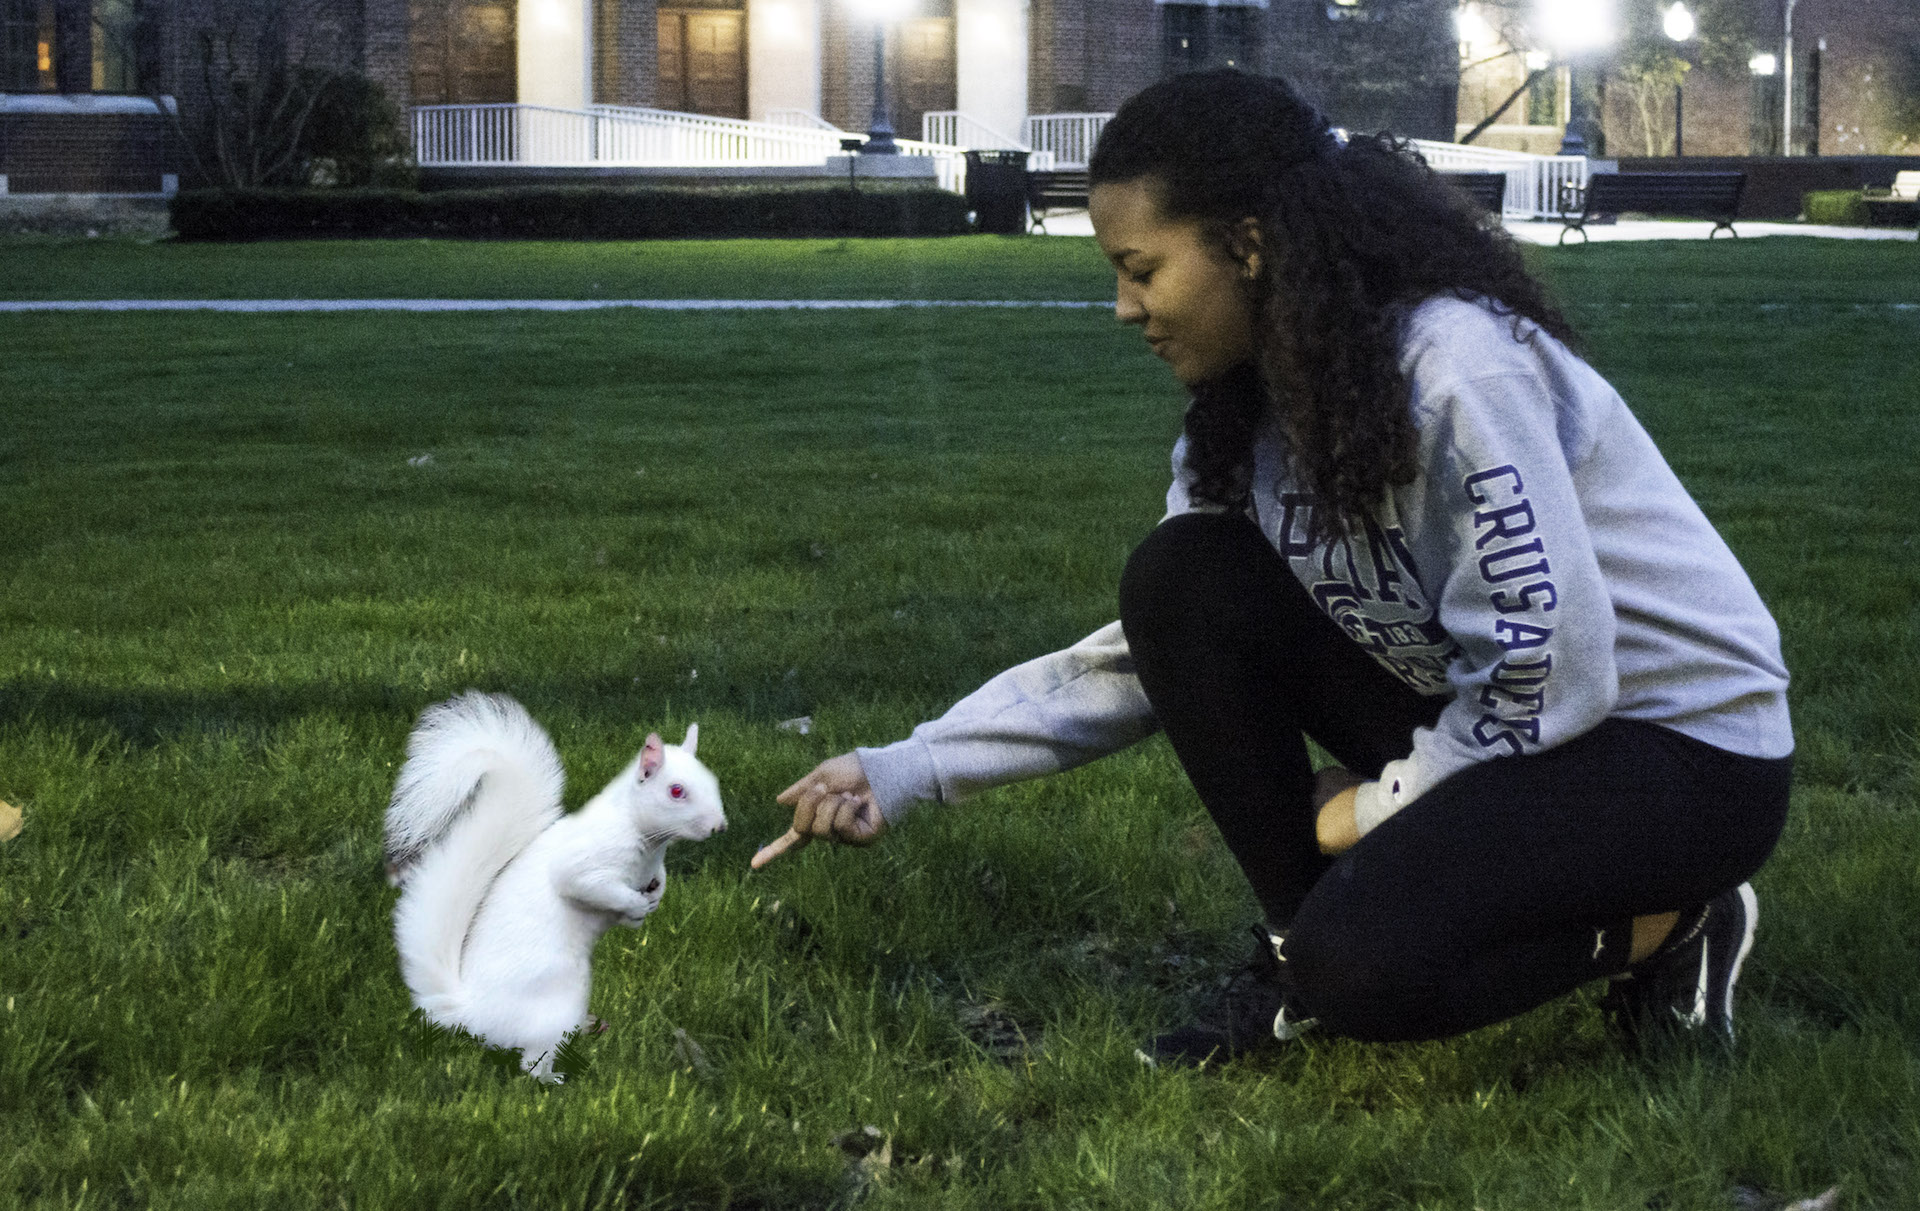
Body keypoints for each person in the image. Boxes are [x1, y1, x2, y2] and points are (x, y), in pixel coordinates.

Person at [753, 69, 1794, 1064]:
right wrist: (910, 764)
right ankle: (1300, 942)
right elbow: (1149, 654)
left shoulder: (1454, 368)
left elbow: (1548, 678)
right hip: (1510, 725)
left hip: (1680, 755)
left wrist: (1367, 809)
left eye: (1141, 269)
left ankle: (1669, 924)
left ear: (1247, 245)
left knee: (1366, 969)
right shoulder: (1252, 413)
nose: (1125, 307)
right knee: (1183, 576)